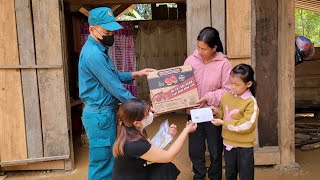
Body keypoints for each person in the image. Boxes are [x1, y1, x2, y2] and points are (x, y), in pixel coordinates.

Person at [78, 7, 154, 180]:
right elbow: (114, 87)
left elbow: (113, 75)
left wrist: (136, 73)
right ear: (92, 29)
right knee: (102, 164)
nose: (111, 34)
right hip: (100, 116)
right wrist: (142, 107)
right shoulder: (93, 55)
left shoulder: (99, 50)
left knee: (110, 160)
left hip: (104, 113)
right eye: (107, 31)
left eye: (112, 30)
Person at [184, 27, 232, 180]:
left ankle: (214, 177)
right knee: (195, 150)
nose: (199, 51)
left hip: (212, 113)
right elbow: (182, 84)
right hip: (194, 113)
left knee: (215, 151)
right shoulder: (191, 60)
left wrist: (208, 97)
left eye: (204, 49)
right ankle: (199, 176)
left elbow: (228, 90)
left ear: (214, 47)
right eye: (198, 47)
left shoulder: (224, 64)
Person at [112, 98, 197, 180]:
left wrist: (168, 135)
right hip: (133, 177)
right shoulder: (134, 144)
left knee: (166, 167)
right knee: (166, 165)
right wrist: (186, 131)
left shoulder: (132, 129)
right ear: (137, 123)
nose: (151, 114)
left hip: (138, 172)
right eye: (147, 114)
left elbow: (152, 148)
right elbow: (169, 156)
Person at [211, 64, 259, 180]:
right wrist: (216, 112)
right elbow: (223, 113)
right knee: (230, 174)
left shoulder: (251, 102)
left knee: (245, 175)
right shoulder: (226, 96)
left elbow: (247, 125)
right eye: (231, 83)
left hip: (244, 146)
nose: (233, 87)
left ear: (248, 84)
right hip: (228, 143)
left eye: (237, 84)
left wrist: (224, 124)